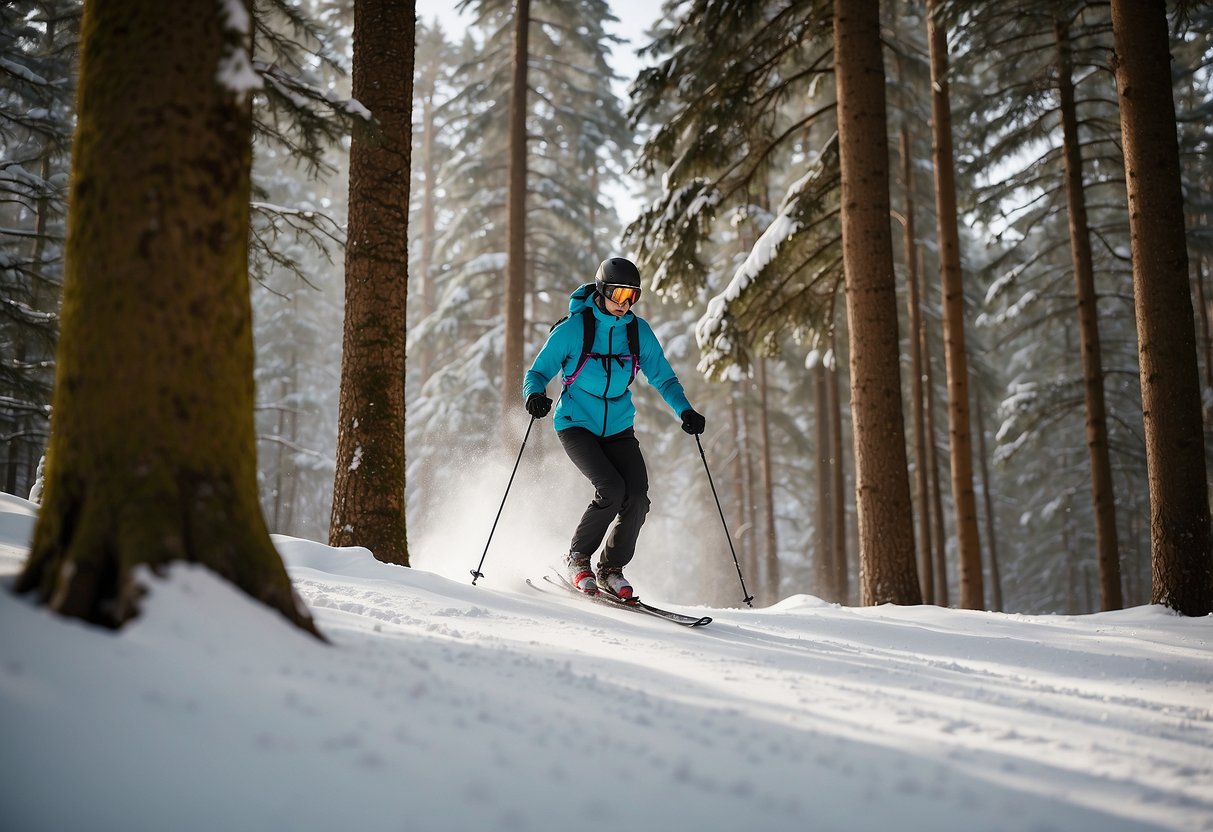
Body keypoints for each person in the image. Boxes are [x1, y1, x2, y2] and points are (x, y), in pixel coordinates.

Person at [522, 256, 706, 600]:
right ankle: (578, 559)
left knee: (637, 497)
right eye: (619, 295)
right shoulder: (574, 329)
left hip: (619, 426)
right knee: (611, 488)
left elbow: (663, 377)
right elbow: (537, 373)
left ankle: (611, 569)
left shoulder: (638, 332)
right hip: (576, 423)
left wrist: (686, 411)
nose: (625, 304)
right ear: (602, 291)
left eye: (632, 297)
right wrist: (535, 395)